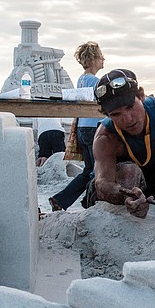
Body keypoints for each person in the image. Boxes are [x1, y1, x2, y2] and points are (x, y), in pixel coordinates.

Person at [87, 69, 155, 218]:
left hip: (152, 179)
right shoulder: (105, 137)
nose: (128, 119)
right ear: (107, 115)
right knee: (129, 172)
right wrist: (124, 196)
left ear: (141, 96)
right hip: (119, 186)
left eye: (130, 106)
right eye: (116, 114)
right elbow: (102, 183)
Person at [48, 41, 105, 211]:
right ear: (94, 59)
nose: (104, 61)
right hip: (94, 127)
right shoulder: (96, 81)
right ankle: (92, 201)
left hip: (81, 128)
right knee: (98, 169)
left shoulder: (81, 79)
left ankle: (61, 200)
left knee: (88, 170)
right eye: (101, 57)